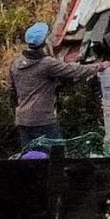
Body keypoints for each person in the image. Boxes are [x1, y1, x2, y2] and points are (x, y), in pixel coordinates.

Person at [9, 22, 98, 155]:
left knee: (31, 159)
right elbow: (74, 70)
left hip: (23, 120)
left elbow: (12, 92)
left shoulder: (15, 64)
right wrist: (99, 66)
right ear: (44, 43)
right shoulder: (46, 64)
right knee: (58, 157)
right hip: (43, 119)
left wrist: (16, 110)